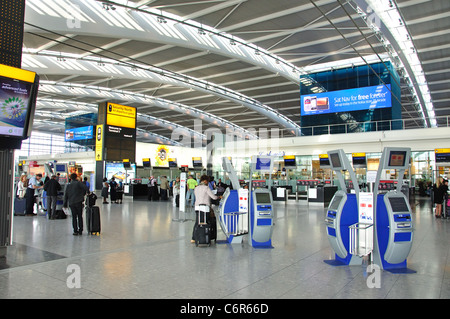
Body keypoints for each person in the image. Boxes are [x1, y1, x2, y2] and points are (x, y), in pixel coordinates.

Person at [191, 175, 222, 243]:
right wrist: (219, 197)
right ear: (205, 181)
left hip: (197, 207)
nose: (208, 183)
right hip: (205, 208)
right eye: (207, 181)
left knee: (197, 222)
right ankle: (205, 237)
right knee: (206, 222)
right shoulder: (206, 188)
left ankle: (194, 238)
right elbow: (213, 197)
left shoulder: (196, 188)